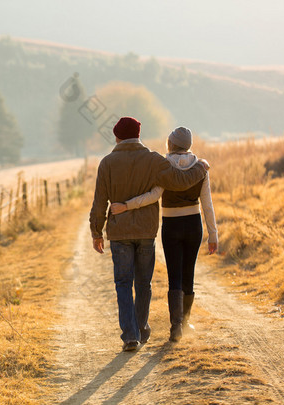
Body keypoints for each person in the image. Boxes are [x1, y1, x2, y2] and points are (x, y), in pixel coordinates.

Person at [89, 117, 208, 352]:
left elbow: (99, 202)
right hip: (146, 231)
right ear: (139, 135)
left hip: (119, 233)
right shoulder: (153, 160)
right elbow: (180, 181)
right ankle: (142, 328)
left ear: (117, 137)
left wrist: (96, 231)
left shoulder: (107, 163)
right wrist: (200, 167)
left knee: (123, 283)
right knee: (143, 283)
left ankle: (130, 335)